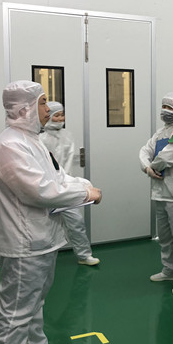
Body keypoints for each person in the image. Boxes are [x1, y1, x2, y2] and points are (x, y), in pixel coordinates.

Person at [0, 80, 102, 344]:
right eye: (42, 103)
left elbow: (57, 176)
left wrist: (83, 185)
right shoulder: (10, 145)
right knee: (16, 312)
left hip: (42, 238)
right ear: (24, 109)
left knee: (35, 302)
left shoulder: (33, 141)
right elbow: (39, 190)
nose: (48, 109)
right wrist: (85, 193)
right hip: (23, 242)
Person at [139, 92, 173, 295]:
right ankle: (169, 270)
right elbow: (144, 151)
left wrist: (151, 167)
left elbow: (167, 156)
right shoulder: (160, 132)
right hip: (159, 191)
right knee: (164, 236)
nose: (165, 111)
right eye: (164, 107)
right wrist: (147, 168)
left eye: (170, 108)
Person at [40, 101, 100, 266]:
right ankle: (44, 257)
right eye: (56, 115)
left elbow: (67, 163)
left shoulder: (67, 135)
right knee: (45, 226)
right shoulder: (40, 139)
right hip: (47, 188)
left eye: (62, 115)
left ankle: (84, 255)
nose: (60, 119)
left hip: (67, 185)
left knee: (76, 222)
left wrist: (70, 182)